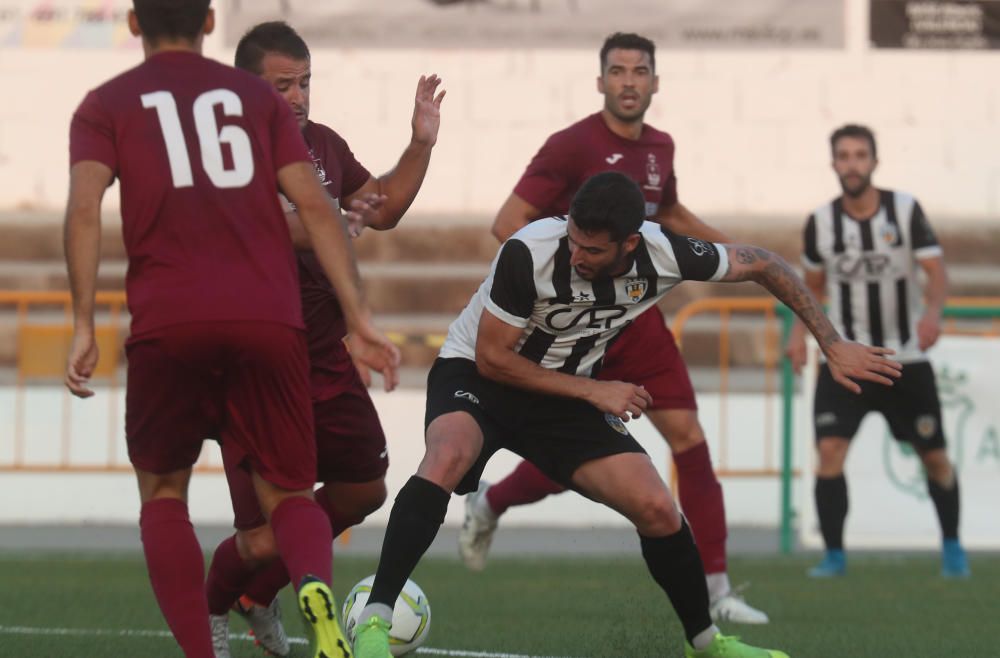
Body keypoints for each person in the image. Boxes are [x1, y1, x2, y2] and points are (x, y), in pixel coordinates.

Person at [352, 171, 901, 658]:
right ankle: (375, 622)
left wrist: (831, 342)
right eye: (573, 241)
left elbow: (765, 263)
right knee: (447, 454)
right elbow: (493, 360)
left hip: (563, 398)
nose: (576, 256)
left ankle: (707, 644)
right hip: (478, 376)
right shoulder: (529, 251)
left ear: (630, 244)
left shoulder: (665, 253)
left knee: (658, 507)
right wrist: (596, 393)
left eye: (592, 250)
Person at [64, 3, 398, 657]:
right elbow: (317, 208)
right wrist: (358, 318)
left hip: (170, 320)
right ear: (210, 21)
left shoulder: (105, 105)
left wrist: (82, 322)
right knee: (294, 494)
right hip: (268, 321)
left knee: (164, 492)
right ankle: (313, 597)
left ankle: (199, 649)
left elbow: (83, 209)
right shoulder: (257, 101)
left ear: (133, 23)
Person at [459, 31, 765, 624]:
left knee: (689, 438)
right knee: (577, 454)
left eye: (640, 70)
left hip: (637, 323)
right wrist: (570, 293)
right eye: (618, 71)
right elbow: (509, 224)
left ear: (655, 81)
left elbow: (669, 214)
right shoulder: (571, 146)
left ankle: (717, 589)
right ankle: (491, 502)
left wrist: (744, 257)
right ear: (600, 82)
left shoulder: (660, 148)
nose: (629, 81)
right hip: (574, 329)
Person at [202, 21, 445, 658]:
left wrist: (419, 143)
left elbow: (382, 208)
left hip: (325, 362)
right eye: (283, 85)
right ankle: (214, 606)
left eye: (305, 83)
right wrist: (336, 216)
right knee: (261, 534)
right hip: (255, 367)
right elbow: (300, 226)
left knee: (364, 489)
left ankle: (258, 596)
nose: (299, 97)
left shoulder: (322, 146)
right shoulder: (228, 156)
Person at [785, 124, 970, 579]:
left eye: (860, 155)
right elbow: (810, 287)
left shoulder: (904, 211)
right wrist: (796, 335)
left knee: (934, 457)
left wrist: (933, 313)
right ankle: (834, 555)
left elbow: (936, 269)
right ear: (833, 164)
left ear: (874, 161)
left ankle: (951, 546)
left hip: (903, 359)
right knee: (829, 451)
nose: (852, 164)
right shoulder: (821, 222)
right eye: (843, 156)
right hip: (845, 359)